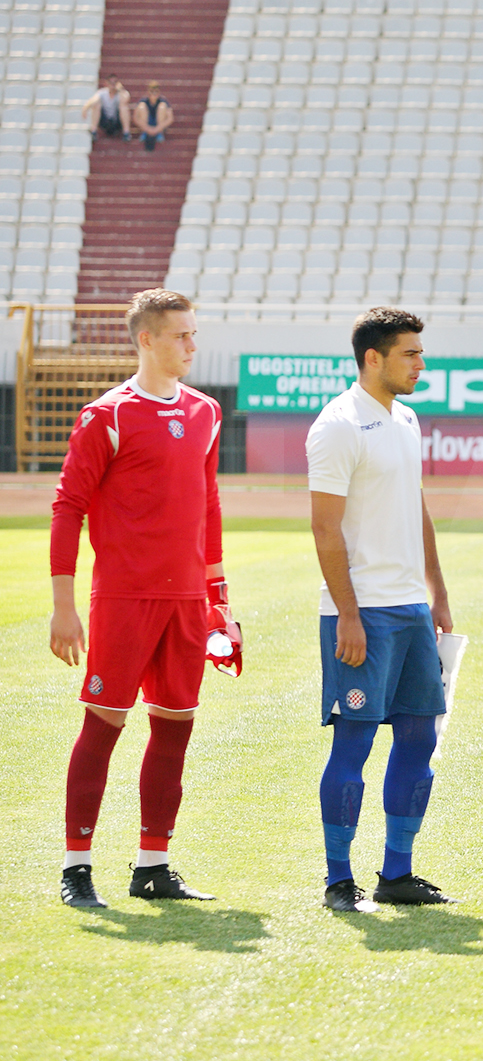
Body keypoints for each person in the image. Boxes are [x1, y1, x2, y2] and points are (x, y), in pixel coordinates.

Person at [49, 289, 236, 908]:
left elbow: (207, 507)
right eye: (180, 335)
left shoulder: (206, 412)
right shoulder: (108, 416)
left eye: (193, 334)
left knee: (175, 730)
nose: (191, 345)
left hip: (186, 601)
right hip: (124, 599)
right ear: (146, 341)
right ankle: (77, 868)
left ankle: (152, 864)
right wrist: (64, 605)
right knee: (103, 728)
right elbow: (68, 507)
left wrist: (219, 600)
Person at [307, 308, 458, 913]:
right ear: (374, 358)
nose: (422, 363)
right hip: (362, 612)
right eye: (411, 354)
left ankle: (397, 874)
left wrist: (437, 591)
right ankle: (338, 881)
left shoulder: (408, 419)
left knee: (419, 739)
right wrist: (347, 613)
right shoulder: (338, 426)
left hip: (411, 611)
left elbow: (414, 506)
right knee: (355, 745)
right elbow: (323, 528)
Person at [80, 75, 129, 140]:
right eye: (111, 82)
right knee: (97, 105)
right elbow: (94, 99)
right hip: (105, 120)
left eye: (115, 82)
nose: (113, 84)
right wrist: (86, 108)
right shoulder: (102, 93)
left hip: (116, 120)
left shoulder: (120, 94)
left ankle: (126, 133)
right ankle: (93, 131)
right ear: (107, 83)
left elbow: (126, 99)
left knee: (123, 106)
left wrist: (120, 89)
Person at [133, 82, 174, 152]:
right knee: (142, 107)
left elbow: (170, 118)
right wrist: (147, 129)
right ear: (148, 92)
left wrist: (156, 129)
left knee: (162, 107)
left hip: (158, 124)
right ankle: (144, 133)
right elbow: (135, 117)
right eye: (152, 91)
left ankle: (159, 133)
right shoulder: (143, 101)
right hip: (147, 123)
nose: (154, 94)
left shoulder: (163, 101)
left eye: (156, 91)